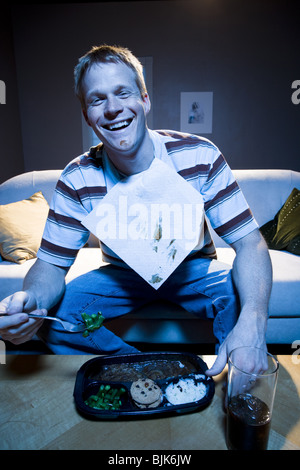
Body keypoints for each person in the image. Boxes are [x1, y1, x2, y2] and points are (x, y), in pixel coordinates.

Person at [0, 45, 272, 375]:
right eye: (97, 99)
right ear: (87, 115)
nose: (113, 108)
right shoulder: (78, 177)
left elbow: (250, 244)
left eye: (122, 93)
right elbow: (51, 267)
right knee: (54, 319)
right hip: (123, 275)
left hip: (191, 269)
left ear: (144, 99)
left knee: (240, 298)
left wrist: (254, 321)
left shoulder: (198, 156)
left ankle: (233, 368)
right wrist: (32, 301)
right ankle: (148, 371)